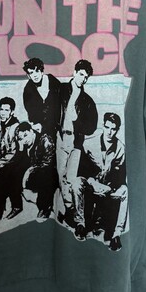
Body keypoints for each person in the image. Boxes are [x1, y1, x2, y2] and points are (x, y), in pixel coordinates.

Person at [67, 112, 128, 251]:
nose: (110, 132)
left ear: (117, 130)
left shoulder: (121, 149)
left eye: (113, 129)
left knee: (125, 190)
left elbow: (120, 175)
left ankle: (117, 234)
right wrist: (93, 183)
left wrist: (110, 187)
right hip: (92, 185)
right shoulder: (89, 143)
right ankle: (80, 225)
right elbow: (82, 171)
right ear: (103, 126)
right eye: (107, 127)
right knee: (77, 183)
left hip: (109, 188)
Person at [56, 59, 98, 197]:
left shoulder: (87, 101)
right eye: (81, 74)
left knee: (70, 178)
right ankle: (66, 206)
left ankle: (69, 207)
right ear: (74, 73)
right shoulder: (60, 90)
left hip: (76, 143)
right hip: (60, 138)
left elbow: (92, 127)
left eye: (86, 77)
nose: (83, 79)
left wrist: (77, 121)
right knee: (59, 176)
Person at [11, 121, 59, 220]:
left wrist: (30, 170)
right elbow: (20, 161)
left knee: (45, 175)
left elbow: (48, 162)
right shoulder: (25, 143)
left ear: (31, 131)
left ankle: (45, 208)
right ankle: (16, 206)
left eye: (25, 135)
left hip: (48, 170)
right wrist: (20, 149)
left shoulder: (45, 140)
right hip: (34, 170)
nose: (24, 140)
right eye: (21, 138)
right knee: (14, 171)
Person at [22, 57, 62, 137]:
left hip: (58, 124)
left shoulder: (52, 81)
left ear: (42, 71)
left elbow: (62, 101)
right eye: (31, 73)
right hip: (40, 128)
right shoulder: (28, 90)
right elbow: (31, 113)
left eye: (37, 71)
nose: (35, 75)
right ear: (28, 75)